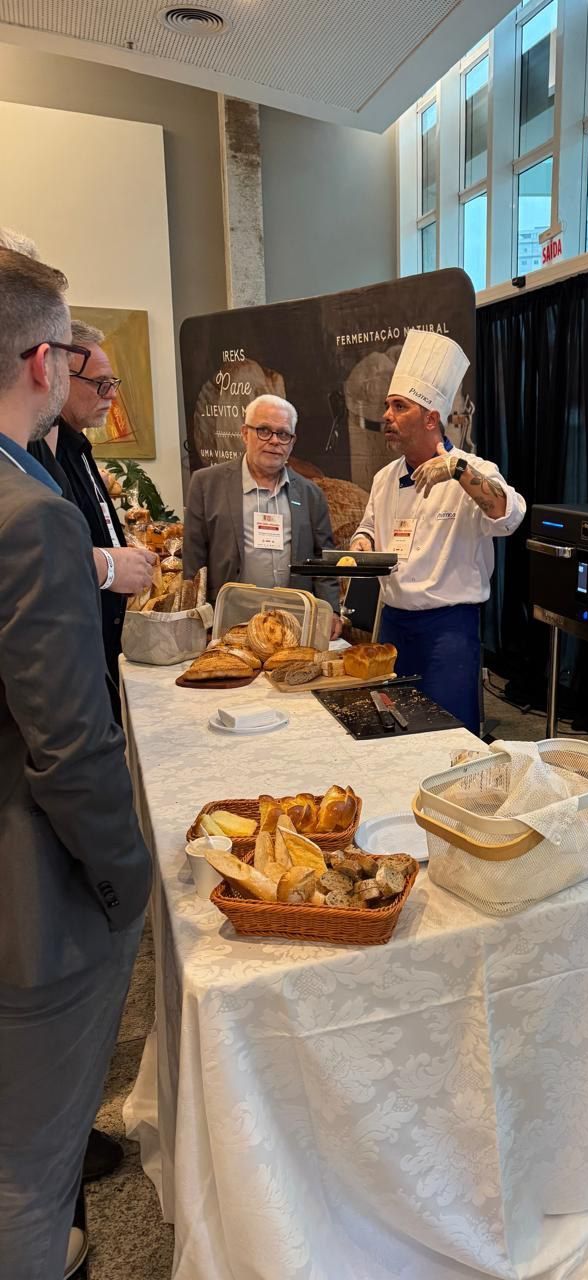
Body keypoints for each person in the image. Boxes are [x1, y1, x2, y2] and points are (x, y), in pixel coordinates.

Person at [0, 248, 152, 1279]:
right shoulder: (31, 515)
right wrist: (127, 873)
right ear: (42, 361)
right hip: (28, 891)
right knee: (30, 1158)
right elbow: (64, 747)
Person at [350, 330, 525, 735]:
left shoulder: (473, 470)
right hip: (392, 626)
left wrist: (458, 471)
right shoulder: (384, 478)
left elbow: (509, 515)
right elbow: (370, 526)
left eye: (399, 406)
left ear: (431, 418)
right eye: (387, 407)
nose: (386, 416)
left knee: (447, 740)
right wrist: (361, 543)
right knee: (390, 731)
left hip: (448, 632)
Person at [27, 320, 157, 720]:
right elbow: (36, 558)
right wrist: (109, 566)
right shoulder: (36, 451)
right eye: (101, 385)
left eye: (113, 383)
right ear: (56, 374)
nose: (113, 396)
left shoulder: (76, 445)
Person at [183, 394, 342, 633]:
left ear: (292, 441)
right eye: (264, 431)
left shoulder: (311, 493)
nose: (274, 441)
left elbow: (324, 560)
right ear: (245, 433)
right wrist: (195, 618)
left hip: (294, 622)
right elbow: (194, 557)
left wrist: (331, 611)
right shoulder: (206, 484)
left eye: (283, 434)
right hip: (229, 620)